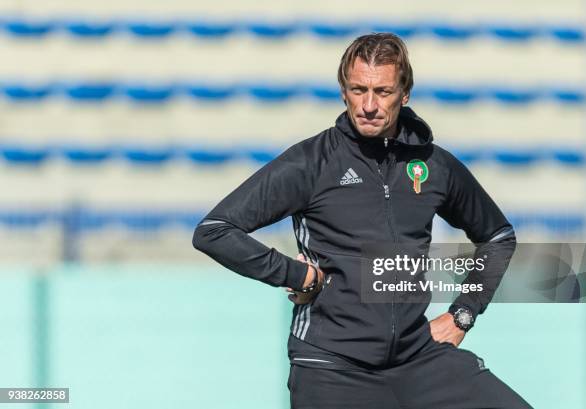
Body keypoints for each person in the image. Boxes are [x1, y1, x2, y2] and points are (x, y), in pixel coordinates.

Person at [193, 32, 532, 409]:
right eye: (358, 90)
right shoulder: (311, 162)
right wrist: (295, 275)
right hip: (332, 366)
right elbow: (214, 231)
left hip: (417, 358)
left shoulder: (434, 165)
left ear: (405, 94)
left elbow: (498, 237)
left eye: (383, 92)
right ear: (343, 90)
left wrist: (462, 314)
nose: (369, 105)